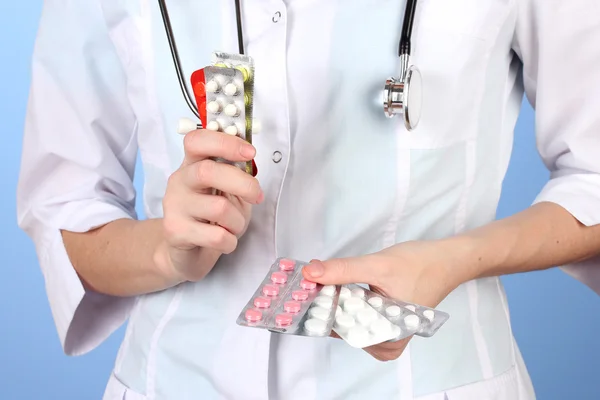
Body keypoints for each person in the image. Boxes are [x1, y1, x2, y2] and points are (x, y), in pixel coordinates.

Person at [16, 1, 600, 399]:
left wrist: (452, 261)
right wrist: (165, 253)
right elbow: (66, 204)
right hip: (171, 378)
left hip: (428, 380)